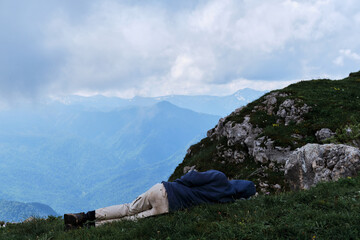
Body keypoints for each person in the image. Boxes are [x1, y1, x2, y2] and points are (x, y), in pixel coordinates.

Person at [64, 169, 256, 229]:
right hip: (168, 207)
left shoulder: (220, 177)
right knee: (130, 220)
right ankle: (87, 228)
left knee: (128, 208)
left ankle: (83, 216)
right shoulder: (225, 202)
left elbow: (191, 177)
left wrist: (177, 185)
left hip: (163, 189)